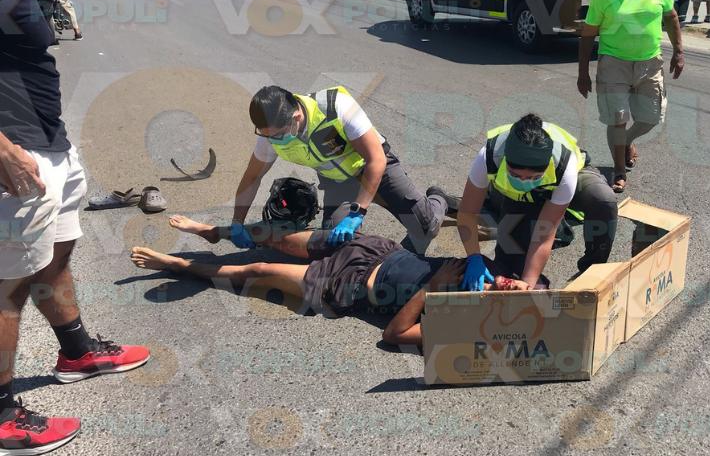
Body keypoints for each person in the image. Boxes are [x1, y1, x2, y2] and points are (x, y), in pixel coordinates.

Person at [0, 0, 150, 454]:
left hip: (49, 141)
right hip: (17, 150)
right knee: (8, 283)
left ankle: (77, 350)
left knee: (56, 252)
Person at [128, 215, 530, 346]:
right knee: (277, 236)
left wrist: (433, 286)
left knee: (258, 272)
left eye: (516, 292)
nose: (512, 283)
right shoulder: (486, 272)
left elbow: (393, 335)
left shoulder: (462, 324)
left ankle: (178, 265)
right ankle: (211, 231)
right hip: (374, 248)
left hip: (345, 285)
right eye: (520, 283)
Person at [235, 85, 447, 254]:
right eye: (265, 134)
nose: (272, 140)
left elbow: (376, 159)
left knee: (426, 227)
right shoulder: (271, 135)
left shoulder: (336, 108)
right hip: (338, 181)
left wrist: (358, 212)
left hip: (374, 169)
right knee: (334, 245)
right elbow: (253, 176)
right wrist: (237, 222)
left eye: (277, 134)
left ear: (296, 118)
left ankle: (438, 198)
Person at [454, 114, 618, 291]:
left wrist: (527, 285)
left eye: (533, 177)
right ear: (506, 160)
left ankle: (591, 272)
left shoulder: (564, 165)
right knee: (510, 261)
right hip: (517, 198)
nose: (524, 181)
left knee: (603, 199)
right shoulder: (490, 155)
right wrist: (474, 257)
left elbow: (544, 234)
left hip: (563, 182)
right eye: (515, 175)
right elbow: (467, 213)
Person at [577, 0, 685, 193]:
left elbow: (671, 18)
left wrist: (679, 51)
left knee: (651, 117)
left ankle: (625, 142)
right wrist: (583, 73)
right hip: (613, 63)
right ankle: (619, 170)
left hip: (650, 62)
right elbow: (588, 35)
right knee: (617, 119)